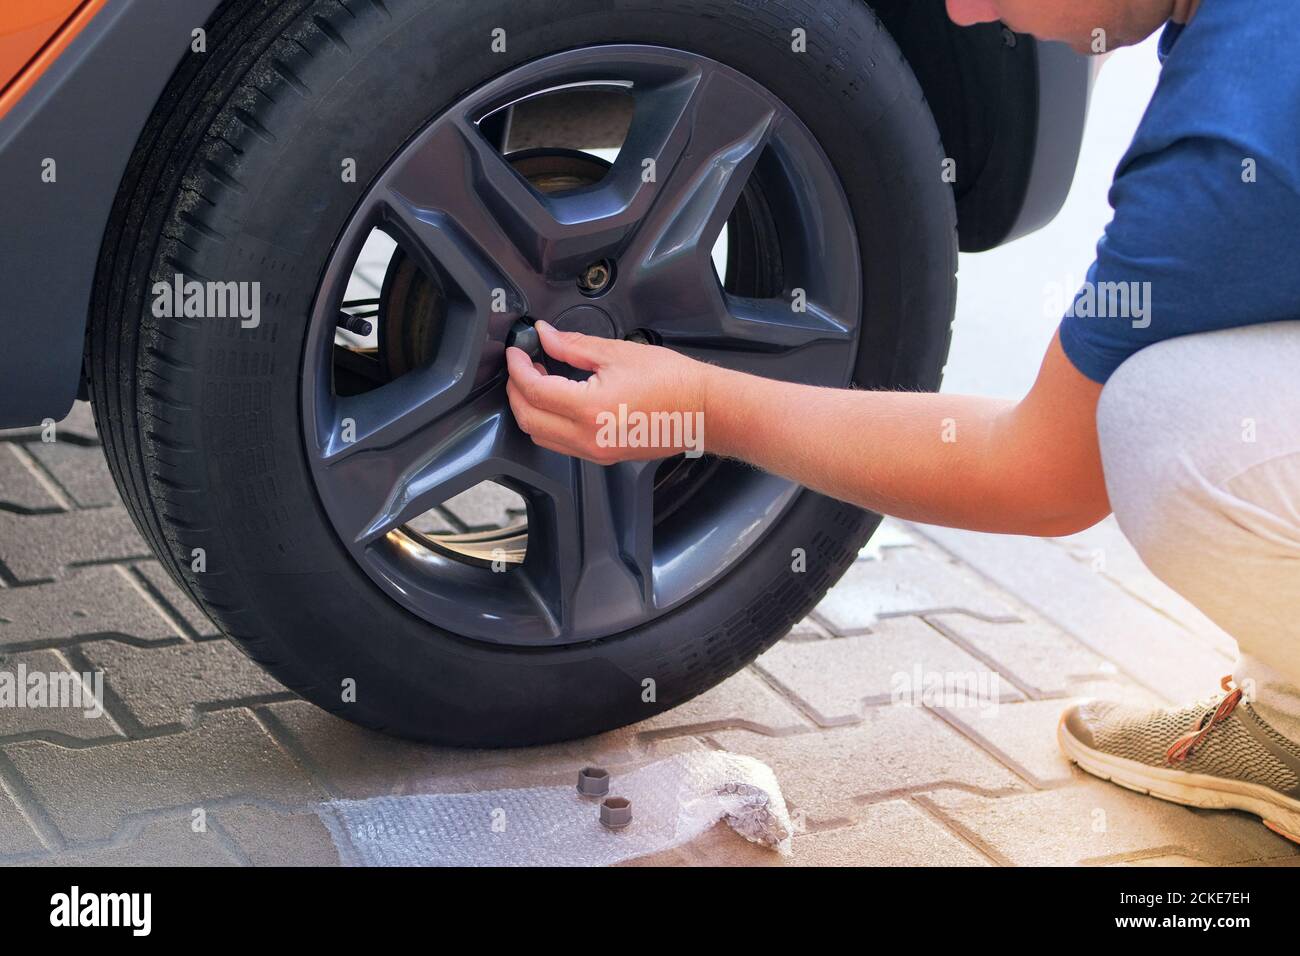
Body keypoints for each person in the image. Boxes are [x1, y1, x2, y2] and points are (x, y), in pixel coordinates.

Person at [504, 0, 1300, 842]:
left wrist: (702, 406)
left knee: (1166, 422)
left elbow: (1043, 474)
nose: (962, 10)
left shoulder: (1230, 137)